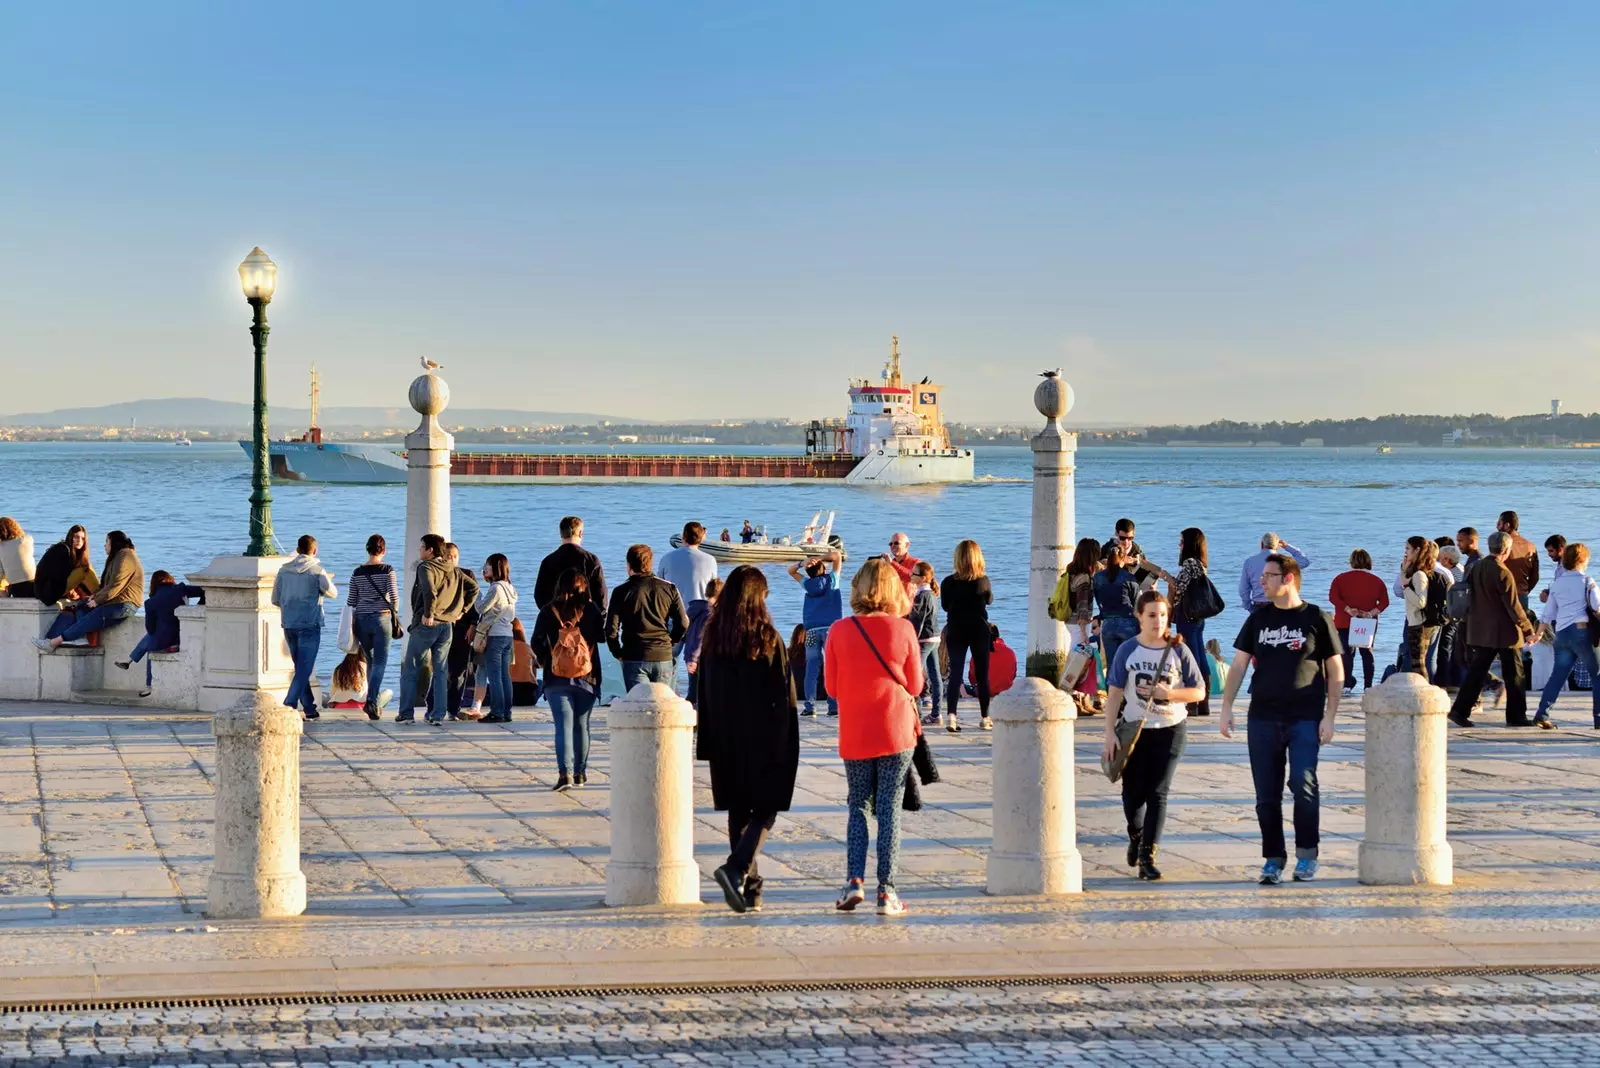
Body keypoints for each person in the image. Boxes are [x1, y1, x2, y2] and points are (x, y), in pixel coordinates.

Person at [1219, 552, 1343, 885]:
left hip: (1304, 716)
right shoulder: (1259, 619)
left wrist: (1330, 716)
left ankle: (1307, 856)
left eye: (1268, 576)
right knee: (1266, 796)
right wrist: (1226, 706)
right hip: (1262, 717)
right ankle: (1273, 859)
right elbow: (1239, 665)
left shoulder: (1317, 618)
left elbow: (1336, 671)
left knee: (1303, 785)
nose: (1261, 581)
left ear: (1288, 578)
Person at [824, 558, 924, 917]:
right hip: (896, 730)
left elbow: (831, 688)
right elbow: (915, 685)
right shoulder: (904, 630)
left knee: (858, 806)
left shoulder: (838, 630)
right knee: (888, 809)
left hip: (855, 730)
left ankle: (854, 881)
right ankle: (888, 892)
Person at [696, 565, 800, 914]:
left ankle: (750, 891)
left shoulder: (713, 637)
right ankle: (737, 868)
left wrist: (706, 740)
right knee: (767, 808)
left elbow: (704, 692)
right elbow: (783, 695)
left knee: (739, 810)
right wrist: (784, 741)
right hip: (762, 739)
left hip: (725, 741)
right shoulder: (768, 638)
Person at [1102, 589, 1206, 881]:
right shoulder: (1128, 650)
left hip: (1171, 729)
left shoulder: (1178, 649)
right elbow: (1114, 696)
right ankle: (1136, 835)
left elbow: (1199, 691)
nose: (1158, 621)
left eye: (1162, 615)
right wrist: (1109, 733)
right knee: (1132, 796)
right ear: (1139, 617)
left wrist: (1169, 693)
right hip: (1135, 729)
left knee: (1158, 792)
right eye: (1151, 615)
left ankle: (1148, 855)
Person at [1449, 531, 1536, 728]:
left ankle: (1459, 710)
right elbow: (1513, 606)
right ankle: (1516, 716)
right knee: (1515, 674)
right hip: (1505, 632)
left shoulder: (1477, 567)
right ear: (1506, 549)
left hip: (1480, 629)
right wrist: (1528, 628)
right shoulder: (1502, 572)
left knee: (1477, 672)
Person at [533, 569, 604, 789]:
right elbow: (602, 637)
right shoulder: (591, 609)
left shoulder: (548, 611)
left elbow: (536, 642)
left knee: (562, 727)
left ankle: (564, 775)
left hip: (556, 677)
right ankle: (581, 773)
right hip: (587, 677)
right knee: (582, 726)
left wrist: (545, 658)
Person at [398, 533, 476, 725]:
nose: (419, 550)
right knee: (441, 671)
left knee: (411, 669)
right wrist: (461, 611)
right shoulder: (453, 569)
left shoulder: (426, 567)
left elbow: (429, 591)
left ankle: (407, 714)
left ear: (430, 550)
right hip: (447, 626)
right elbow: (474, 588)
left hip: (427, 624)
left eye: (421, 547)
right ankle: (438, 714)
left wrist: (429, 614)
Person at [269, 535, 338, 721]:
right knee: (304, 668)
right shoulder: (317, 571)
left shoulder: (283, 571)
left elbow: (274, 599)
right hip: (309, 624)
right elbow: (333, 593)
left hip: (289, 624)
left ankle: (309, 708)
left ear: (298, 550)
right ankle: (289, 703)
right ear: (314, 551)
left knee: (301, 667)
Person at [37, 531, 143, 651]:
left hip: (124, 604)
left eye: (106, 542)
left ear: (114, 543)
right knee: (78, 607)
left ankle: (54, 642)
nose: (104, 546)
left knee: (91, 618)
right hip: (115, 601)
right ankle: (51, 638)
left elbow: (116, 584)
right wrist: (93, 596)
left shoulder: (125, 557)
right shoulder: (117, 557)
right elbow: (105, 585)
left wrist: (97, 600)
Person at [1533, 542, 1600, 730]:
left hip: (1561, 634)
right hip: (1582, 632)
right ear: (1582, 559)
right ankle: (1599, 718)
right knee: (1598, 675)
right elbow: (1596, 607)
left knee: (1558, 676)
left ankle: (1542, 714)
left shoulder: (1557, 583)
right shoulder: (1588, 581)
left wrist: (1538, 634)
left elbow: (1548, 614)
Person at [606, 544, 689, 690]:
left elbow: (611, 630)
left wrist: (617, 652)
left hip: (634, 655)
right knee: (662, 707)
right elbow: (683, 623)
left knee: (639, 708)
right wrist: (671, 641)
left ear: (629, 565)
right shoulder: (669, 588)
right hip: (662, 654)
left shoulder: (620, 591)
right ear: (650, 564)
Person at [113, 570, 203, 697]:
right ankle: (129, 661)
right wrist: (199, 606)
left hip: (166, 641)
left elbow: (150, 628)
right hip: (183, 635)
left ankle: (147, 683)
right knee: (153, 641)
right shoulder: (181, 589)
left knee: (151, 645)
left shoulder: (151, 602)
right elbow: (203, 590)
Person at [941, 539, 994, 732]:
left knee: (955, 673)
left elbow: (946, 605)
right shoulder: (983, 581)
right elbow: (989, 600)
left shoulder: (948, 582)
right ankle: (986, 717)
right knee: (982, 675)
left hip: (956, 628)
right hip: (979, 629)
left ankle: (952, 718)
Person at [345, 534, 401, 720]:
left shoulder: (357, 572)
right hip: (381, 618)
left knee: (370, 661)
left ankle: (373, 702)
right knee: (380, 662)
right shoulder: (387, 570)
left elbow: (352, 600)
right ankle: (371, 701)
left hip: (361, 619)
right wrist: (395, 614)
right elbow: (394, 597)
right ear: (383, 551)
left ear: (367, 550)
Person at [787, 548, 843, 717]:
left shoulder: (807, 584)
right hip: (830, 630)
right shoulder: (832, 580)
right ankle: (833, 706)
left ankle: (809, 706)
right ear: (823, 569)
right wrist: (818, 558)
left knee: (811, 668)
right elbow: (837, 555)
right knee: (832, 667)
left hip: (811, 631)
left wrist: (802, 563)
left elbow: (790, 571)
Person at [1165, 527, 1214, 715]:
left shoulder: (1189, 564)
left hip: (1187, 617)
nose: (1179, 545)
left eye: (1182, 541)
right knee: (1200, 655)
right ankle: (1204, 703)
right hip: (1198, 617)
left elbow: (1179, 589)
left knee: (1191, 657)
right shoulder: (1201, 564)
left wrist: (1166, 577)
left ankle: (1193, 701)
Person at [1326, 549, 1389, 693]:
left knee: (1347, 654)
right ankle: (1368, 686)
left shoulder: (1340, 578)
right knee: (1367, 653)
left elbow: (1333, 597)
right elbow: (1384, 602)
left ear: (1351, 561)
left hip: (1344, 620)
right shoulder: (1376, 580)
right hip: (1366, 621)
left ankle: (1346, 685)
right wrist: (1371, 613)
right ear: (1368, 561)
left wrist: (1347, 609)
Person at [1054, 538, 1102, 697]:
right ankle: (1068, 691)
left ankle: (1069, 689)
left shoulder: (1071, 572)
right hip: (1078, 622)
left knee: (1074, 655)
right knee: (1078, 659)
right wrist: (1083, 631)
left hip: (1070, 620)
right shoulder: (1084, 578)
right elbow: (1083, 605)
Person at [475, 553, 519, 724]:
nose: (484, 569)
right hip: (508, 634)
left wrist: (476, 595)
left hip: (495, 634)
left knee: (494, 676)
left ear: (496, 568)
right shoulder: (510, 587)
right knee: (505, 676)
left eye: (487, 566)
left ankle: (497, 712)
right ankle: (506, 711)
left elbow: (480, 608)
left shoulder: (496, 588)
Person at [1398, 536, 1449, 677]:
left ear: (1417, 550)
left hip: (1419, 624)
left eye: (1408, 549)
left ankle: (1423, 695)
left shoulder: (1419, 574)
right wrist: (1404, 571)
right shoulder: (1416, 572)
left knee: (1418, 666)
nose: (1405, 552)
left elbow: (1421, 602)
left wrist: (1406, 586)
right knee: (1418, 664)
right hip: (1418, 622)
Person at [533, 516, 606, 612]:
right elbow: (601, 595)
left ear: (561, 534)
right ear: (580, 533)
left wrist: (551, 615)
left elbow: (539, 595)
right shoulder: (591, 560)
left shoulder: (548, 561)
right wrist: (597, 620)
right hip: (584, 619)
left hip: (556, 620)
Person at [1094, 543, 1140, 670]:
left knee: (1112, 666)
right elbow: (1136, 603)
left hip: (1108, 624)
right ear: (1123, 558)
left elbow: (1098, 600)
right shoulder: (1129, 577)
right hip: (1128, 623)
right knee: (1130, 665)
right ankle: (1129, 690)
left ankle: (1112, 690)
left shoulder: (1098, 577)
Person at [1238, 533, 1311, 610]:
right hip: (1281, 604)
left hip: (1259, 605)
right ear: (1277, 546)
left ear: (1262, 544)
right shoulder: (1284, 561)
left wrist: (1248, 606)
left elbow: (1244, 588)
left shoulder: (1249, 562)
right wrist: (1286, 546)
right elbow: (1304, 561)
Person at [907, 561, 941, 724]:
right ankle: (936, 713)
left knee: (913, 673)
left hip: (924, 639)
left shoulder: (922, 596)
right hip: (934, 637)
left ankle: (917, 714)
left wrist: (911, 639)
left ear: (923, 579)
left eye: (914, 574)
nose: (910, 575)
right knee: (935, 675)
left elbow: (917, 620)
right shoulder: (933, 595)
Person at [683, 576, 722, 707]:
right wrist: (694, 659)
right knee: (701, 694)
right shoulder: (710, 614)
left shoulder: (696, 610)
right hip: (701, 658)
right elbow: (700, 638)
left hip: (691, 656)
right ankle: (696, 723)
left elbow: (687, 634)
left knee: (694, 691)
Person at [657, 522, 719, 604]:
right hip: (701, 613)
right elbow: (713, 590)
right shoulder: (710, 560)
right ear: (702, 538)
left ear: (683, 537)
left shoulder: (667, 558)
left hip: (674, 613)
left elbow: (658, 588)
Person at [31, 525, 94, 606]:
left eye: (83, 538)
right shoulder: (62, 550)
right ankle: (100, 595)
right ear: (70, 537)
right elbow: (59, 576)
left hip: (47, 590)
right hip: (48, 592)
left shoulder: (64, 549)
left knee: (84, 568)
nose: (79, 540)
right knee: (84, 570)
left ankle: (98, 594)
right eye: (76, 537)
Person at [1497, 511, 1539, 613]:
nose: (1497, 527)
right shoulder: (1530, 546)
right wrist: (1524, 590)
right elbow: (1535, 577)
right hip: (1522, 595)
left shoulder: (1501, 545)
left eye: (1499, 524)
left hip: (1503, 596)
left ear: (1507, 526)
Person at [324, 651, 393, 712]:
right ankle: (376, 709)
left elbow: (332, 694)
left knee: (325, 696)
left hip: (339, 707)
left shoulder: (338, 668)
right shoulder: (368, 667)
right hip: (364, 707)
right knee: (389, 692)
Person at [971, 623, 1018, 698]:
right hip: (1007, 692)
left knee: (966, 688)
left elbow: (973, 678)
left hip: (985, 692)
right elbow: (1013, 675)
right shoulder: (1010, 652)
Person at [0, 517, 36, 598]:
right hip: (35, 585)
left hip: (17, 589)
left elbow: (1, 573)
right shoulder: (28, 539)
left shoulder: (0, 547)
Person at [508, 618, 539, 707]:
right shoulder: (527, 647)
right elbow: (534, 671)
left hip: (510, 695)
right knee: (539, 682)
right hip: (529, 696)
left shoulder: (505, 648)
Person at [1540, 535, 1568, 604]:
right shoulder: (1560, 567)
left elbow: (1564, 592)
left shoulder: (1566, 568)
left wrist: (1549, 596)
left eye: (1551, 551)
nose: (1549, 554)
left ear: (1560, 550)